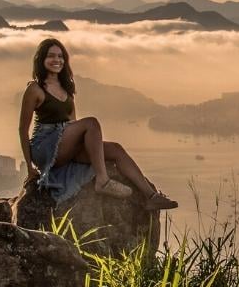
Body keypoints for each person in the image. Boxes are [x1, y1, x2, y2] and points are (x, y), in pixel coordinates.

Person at [19, 38, 177, 212]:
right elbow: (22, 129)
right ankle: (103, 180)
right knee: (91, 122)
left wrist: (88, 147)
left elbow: (73, 123)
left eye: (60, 56)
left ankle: (151, 197)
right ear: (41, 59)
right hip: (44, 146)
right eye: (51, 56)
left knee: (116, 149)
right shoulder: (35, 89)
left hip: (65, 142)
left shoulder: (66, 88)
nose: (57, 60)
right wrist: (29, 166)